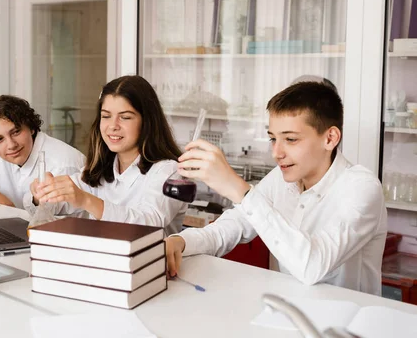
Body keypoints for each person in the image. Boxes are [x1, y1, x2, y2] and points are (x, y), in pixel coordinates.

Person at [165, 81, 387, 295]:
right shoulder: (281, 179)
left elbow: (312, 266)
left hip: (345, 327)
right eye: (273, 139)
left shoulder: (361, 188)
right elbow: (233, 226)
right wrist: (181, 242)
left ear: (330, 138)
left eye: (290, 139)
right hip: (286, 314)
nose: (276, 153)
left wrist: (239, 189)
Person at [31, 75, 188, 235]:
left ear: (147, 121)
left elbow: (149, 223)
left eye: (125, 117)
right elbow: (62, 203)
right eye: (106, 116)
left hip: (149, 258)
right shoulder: (102, 165)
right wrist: (42, 193)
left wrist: (86, 200)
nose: (113, 126)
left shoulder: (170, 171)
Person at [0, 95, 85, 210]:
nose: (11, 145)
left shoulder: (63, 165)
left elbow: (48, 219)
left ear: (31, 127)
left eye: (16, 132)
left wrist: (10, 208)